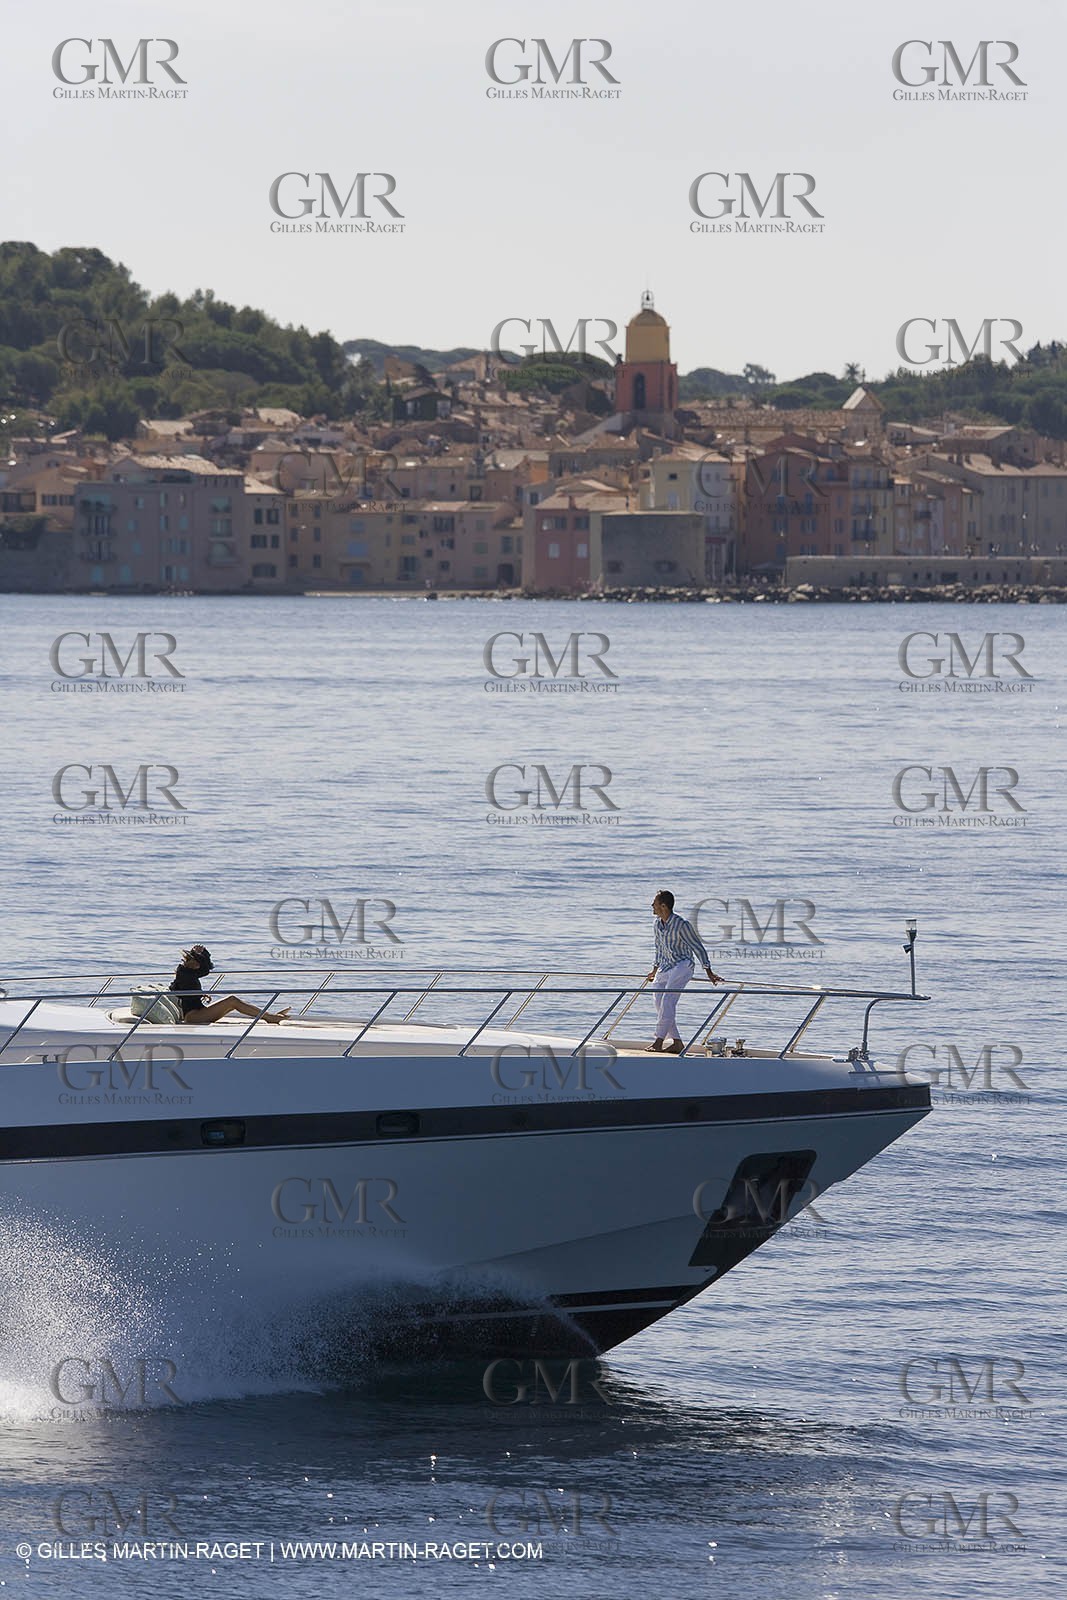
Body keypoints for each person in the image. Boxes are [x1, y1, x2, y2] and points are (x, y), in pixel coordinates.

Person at [646, 891, 723, 1053]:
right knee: (658, 1002)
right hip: (665, 966)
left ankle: (658, 1041)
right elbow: (658, 948)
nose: (652, 906)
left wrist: (708, 972)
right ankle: (677, 1042)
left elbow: (697, 948)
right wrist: (654, 970)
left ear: (663, 906)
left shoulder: (682, 925)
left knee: (668, 1000)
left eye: (654, 903)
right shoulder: (657, 924)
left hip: (682, 965)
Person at [169, 944, 291, 1025]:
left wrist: (203, 953)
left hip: (199, 1012)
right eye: (195, 961)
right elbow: (203, 970)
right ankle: (270, 1017)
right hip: (193, 1016)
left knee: (232, 1003)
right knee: (232, 1000)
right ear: (192, 963)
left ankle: (269, 1016)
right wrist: (200, 953)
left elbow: (205, 970)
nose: (197, 966)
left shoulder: (188, 973)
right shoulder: (183, 972)